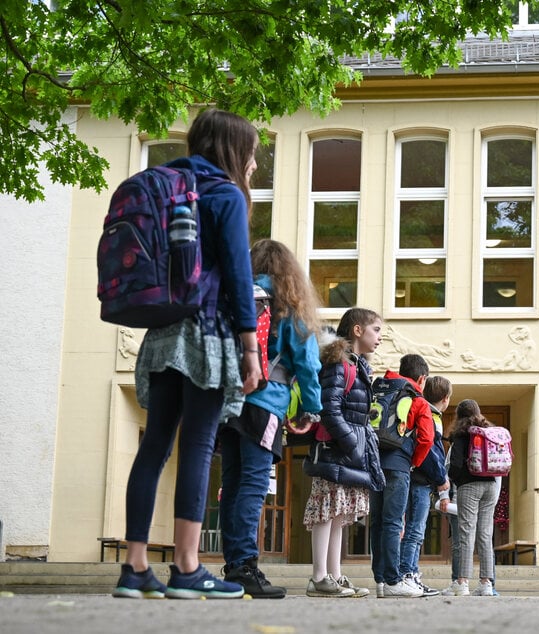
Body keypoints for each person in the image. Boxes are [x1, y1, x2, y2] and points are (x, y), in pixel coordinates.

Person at [113, 109, 263, 600]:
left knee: (154, 445)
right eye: (253, 154)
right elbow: (240, 276)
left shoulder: (168, 185)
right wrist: (250, 346)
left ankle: (134, 567)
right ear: (234, 151)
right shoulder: (223, 194)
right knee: (198, 445)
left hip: (161, 330)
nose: (255, 165)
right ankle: (187, 566)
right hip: (208, 332)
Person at [216, 239, 323, 598]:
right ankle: (246, 567)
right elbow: (307, 363)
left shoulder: (235, 295)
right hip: (266, 404)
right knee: (253, 483)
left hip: (227, 403)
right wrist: (311, 407)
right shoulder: (289, 305)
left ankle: (233, 565)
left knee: (231, 484)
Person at [303, 308, 386, 598]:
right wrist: (352, 442)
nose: (380, 338)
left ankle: (334, 576)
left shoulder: (356, 364)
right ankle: (318, 577)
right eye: (376, 330)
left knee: (338, 515)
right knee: (326, 513)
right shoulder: (339, 363)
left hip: (345, 449)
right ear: (357, 330)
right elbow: (329, 407)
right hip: (334, 449)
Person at [369, 353, 435, 598]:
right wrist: (412, 462)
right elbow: (426, 439)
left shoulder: (382, 390)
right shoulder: (417, 399)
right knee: (393, 522)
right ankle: (394, 580)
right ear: (422, 378)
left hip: (373, 463)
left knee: (376, 522)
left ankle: (380, 580)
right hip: (398, 466)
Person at [399, 375, 452, 596]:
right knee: (415, 531)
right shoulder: (432, 416)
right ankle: (407, 575)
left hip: (412, 477)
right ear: (445, 398)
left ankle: (409, 574)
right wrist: (441, 478)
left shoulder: (421, 408)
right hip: (421, 480)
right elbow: (431, 452)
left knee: (412, 530)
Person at [447, 399, 503, 597]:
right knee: (485, 535)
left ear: (459, 416)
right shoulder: (489, 432)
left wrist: (456, 479)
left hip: (469, 487)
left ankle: (462, 582)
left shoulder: (461, 435)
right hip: (490, 485)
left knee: (466, 533)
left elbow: (454, 465)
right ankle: (486, 583)